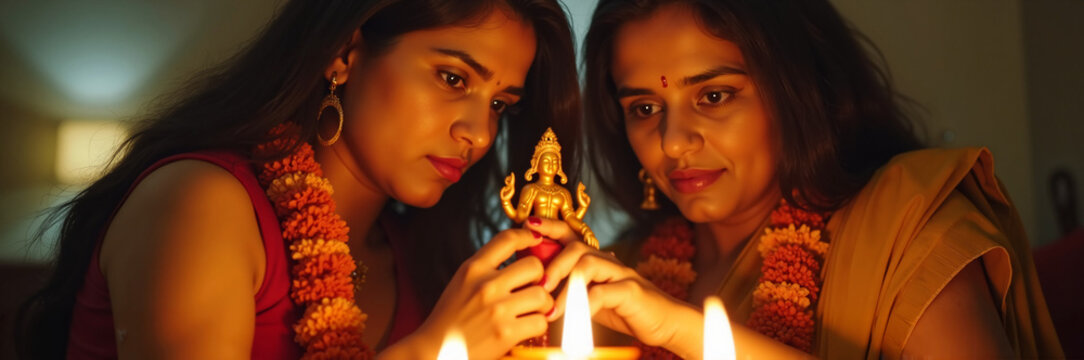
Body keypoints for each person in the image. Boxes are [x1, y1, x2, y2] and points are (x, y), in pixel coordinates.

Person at [17, 0, 581, 358]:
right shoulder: (200, 202)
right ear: (344, 53)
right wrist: (436, 350)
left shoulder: (421, 257)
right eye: (453, 77)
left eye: (502, 103)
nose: (480, 133)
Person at [526, 0, 1065, 359]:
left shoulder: (907, 224)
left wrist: (682, 330)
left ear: (798, 91)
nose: (671, 142)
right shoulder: (617, 279)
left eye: (713, 96)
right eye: (644, 107)